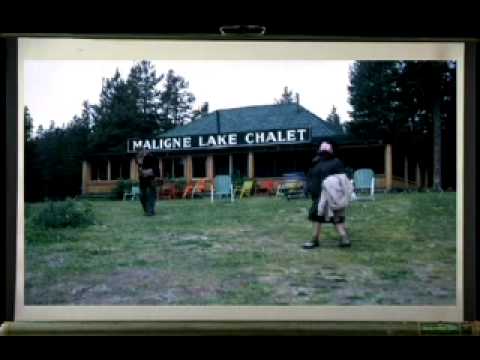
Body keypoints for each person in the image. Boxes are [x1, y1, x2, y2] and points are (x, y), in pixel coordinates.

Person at [303, 142, 351, 249]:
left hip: (330, 195)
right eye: (322, 151)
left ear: (330, 152)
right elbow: (310, 176)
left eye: (325, 151)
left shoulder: (336, 162)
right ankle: (316, 239)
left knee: (335, 217)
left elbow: (342, 179)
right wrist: (307, 188)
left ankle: (344, 238)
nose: (323, 153)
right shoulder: (316, 163)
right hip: (317, 195)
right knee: (317, 216)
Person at [136, 149, 160, 216]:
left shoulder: (153, 158)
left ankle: (151, 211)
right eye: (138, 155)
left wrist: (145, 172)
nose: (139, 157)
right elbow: (140, 172)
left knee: (151, 194)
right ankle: (147, 210)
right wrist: (140, 165)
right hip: (143, 180)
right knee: (142, 195)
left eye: (141, 154)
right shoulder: (138, 159)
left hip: (153, 178)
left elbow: (154, 170)